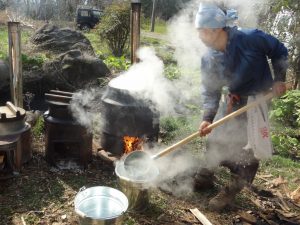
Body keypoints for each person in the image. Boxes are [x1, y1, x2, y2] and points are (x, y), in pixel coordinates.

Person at [193, 2, 288, 211]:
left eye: (201, 31)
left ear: (216, 30)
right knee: (216, 136)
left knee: (248, 148)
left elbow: (279, 50)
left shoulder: (251, 38)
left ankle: (231, 190)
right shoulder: (209, 57)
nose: (198, 35)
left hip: (256, 101)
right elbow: (210, 90)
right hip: (233, 101)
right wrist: (207, 118)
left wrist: (279, 79)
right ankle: (206, 174)